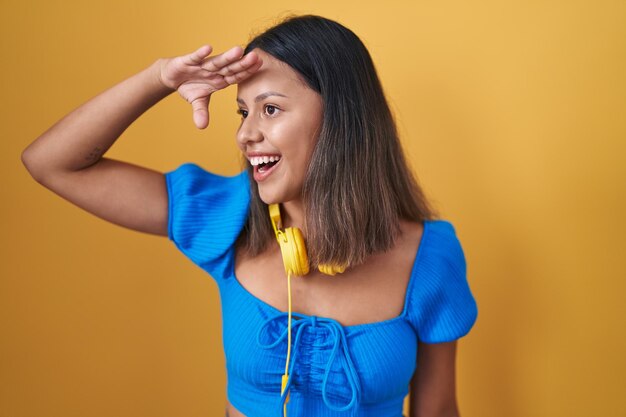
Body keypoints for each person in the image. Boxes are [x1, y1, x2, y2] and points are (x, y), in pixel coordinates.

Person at [22, 14, 477, 417]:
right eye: (242, 112)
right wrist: (159, 78)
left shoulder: (429, 257)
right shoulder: (228, 216)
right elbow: (50, 162)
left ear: (341, 118)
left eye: (270, 109)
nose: (245, 133)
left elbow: (437, 411)